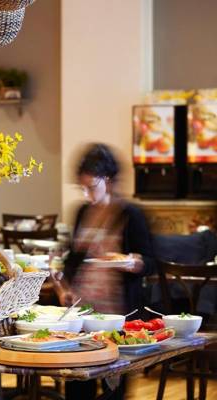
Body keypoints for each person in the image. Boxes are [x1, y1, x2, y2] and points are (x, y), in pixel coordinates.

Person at [53, 144, 155, 400]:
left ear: (108, 180)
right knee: (77, 385)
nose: (87, 195)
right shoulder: (82, 211)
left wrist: (130, 262)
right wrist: (64, 288)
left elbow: (151, 262)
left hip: (117, 315)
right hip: (83, 313)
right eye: (82, 188)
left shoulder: (130, 214)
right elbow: (73, 260)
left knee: (114, 389)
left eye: (91, 187)